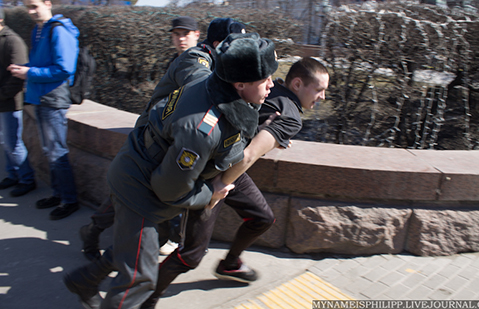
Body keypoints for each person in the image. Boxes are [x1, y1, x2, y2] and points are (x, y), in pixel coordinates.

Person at [64, 32, 279, 309]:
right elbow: (169, 188)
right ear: (239, 84)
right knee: (138, 280)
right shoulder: (203, 129)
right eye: (265, 80)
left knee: (144, 246)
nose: (272, 84)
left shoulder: (215, 84)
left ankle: (84, 281)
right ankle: (87, 283)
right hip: (141, 191)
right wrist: (210, 193)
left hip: (146, 178)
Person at [139, 56, 329, 308]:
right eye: (319, 89)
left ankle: (230, 265)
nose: (323, 97)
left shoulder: (273, 90)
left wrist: (275, 136)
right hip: (212, 171)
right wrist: (217, 189)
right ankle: (145, 297)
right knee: (191, 255)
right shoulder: (292, 116)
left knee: (262, 218)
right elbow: (249, 154)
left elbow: (256, 126)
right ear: (297, 84)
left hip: (223, 162)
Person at [78, 17, 246, 261]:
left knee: (151, 197)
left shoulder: (216, 62)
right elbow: (200, 85)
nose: (180, 38)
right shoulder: (196, 59)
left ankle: (151, 248)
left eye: (186, 33)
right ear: (221, 44)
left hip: (175, 140)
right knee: (133, 195)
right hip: (155, 141)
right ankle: (95, 236)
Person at [8, 0, 79, 220]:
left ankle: (70, 200)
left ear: (48, 3)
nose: (31, 11)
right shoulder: (39, 30)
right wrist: (27, 71)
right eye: (28, 7)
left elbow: (64, 69)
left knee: (57, 151)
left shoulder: (58, 31)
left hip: (53, 99)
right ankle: (58, 194)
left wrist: (29, 72)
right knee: (49, 151)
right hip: (40, 97)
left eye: (35, 6)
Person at [0, 6, 37, 197]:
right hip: (2, 101)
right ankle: (13, 174)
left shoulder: (12, 41)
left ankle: (26, 179)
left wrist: (2, 95)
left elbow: (17, 76)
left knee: (12, 142)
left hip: (9, 102)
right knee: (5, 142)